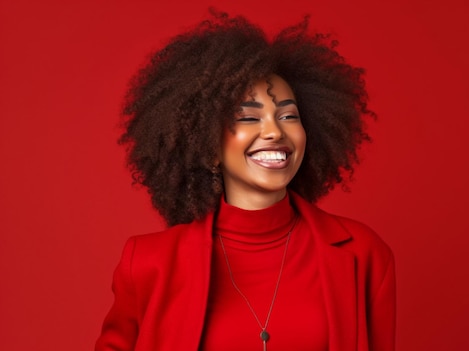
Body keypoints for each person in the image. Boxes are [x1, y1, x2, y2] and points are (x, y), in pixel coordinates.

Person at [96, 8, 395, 351]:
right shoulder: (147, 263)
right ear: (207, 144)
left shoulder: (364, 254)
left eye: (288, 115)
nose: (274, 131)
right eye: (249, 118)